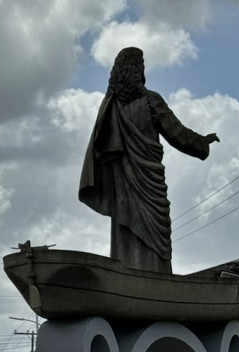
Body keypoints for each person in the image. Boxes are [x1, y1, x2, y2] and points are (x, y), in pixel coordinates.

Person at [79, 46, 220, 274]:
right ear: (139, 70)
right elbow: (177, 133)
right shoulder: (150, 100)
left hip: (123, 181)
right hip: (142, 179)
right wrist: (202, 142)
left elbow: (99, 149)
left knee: (125, 223)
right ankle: (153, 278)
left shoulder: (109, 106)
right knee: (155, 231)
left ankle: (128, 274)